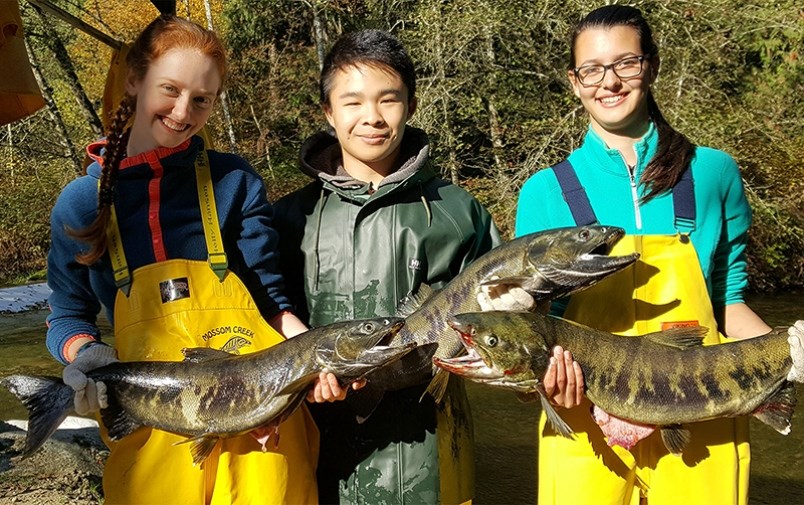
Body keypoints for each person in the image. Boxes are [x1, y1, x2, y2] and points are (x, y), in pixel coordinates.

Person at [45, 14, 322, 504]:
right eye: (169, 89)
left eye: (202, 99)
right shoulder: (81, 202)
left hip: (258, 416)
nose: (182, 111)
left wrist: (309, 352)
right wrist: (84, 355)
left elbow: (271, 300)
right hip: (153, 425)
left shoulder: (234, 182)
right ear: (134, 80)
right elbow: (67, 317)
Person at [515, 5, 773, 505]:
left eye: (625, 64)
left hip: (703, 408)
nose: (608, 81)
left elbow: (729, 302)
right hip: (581, 415)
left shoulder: (714, 173)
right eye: (591, 69)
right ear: (574, 81)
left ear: (650, 66)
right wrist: (541, 386)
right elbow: (534, 322)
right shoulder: (543, 192)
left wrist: (792, 354)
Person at [273, 29, 503, 504]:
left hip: (433, 455)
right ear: (328, 113)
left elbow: (504, 326)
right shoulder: (287, 219)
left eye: (388, 100)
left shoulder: (461, 212)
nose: (372, 117)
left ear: (411, 105)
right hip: (313, 452)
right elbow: (263, 322)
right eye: (352, 102)